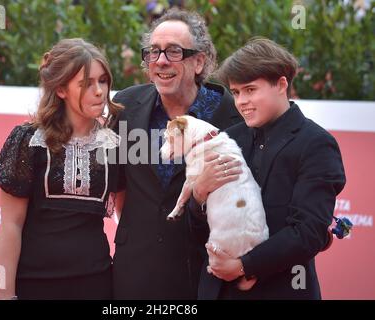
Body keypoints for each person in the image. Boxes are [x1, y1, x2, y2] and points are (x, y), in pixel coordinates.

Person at [191, 37, 346, 299]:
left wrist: (244, 266)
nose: (241, 102)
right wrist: (198, 194)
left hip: (282, 290)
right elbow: (196, 224)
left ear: (281, 85)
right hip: (217, 291)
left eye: (250, 90)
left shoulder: (316, 143)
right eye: (236, 92)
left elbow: (308, 232)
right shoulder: (228, 138)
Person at [111, 8, 243, 299]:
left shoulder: (234, 116)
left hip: (205, 277)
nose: (160, 61)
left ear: (198, 61)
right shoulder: (126, 106)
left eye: (173, 52)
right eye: (153, 52)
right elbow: (120, 189)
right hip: (135, 274)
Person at [0, 38, 123, 300]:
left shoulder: (116, 143)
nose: (99, 91)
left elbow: (127, 216)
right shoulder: (29, 140)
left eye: (103, 81)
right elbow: (10, 225)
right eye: (86, 83)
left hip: (96, 282)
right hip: (34, 283)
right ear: (61, 89)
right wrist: (4, 294)